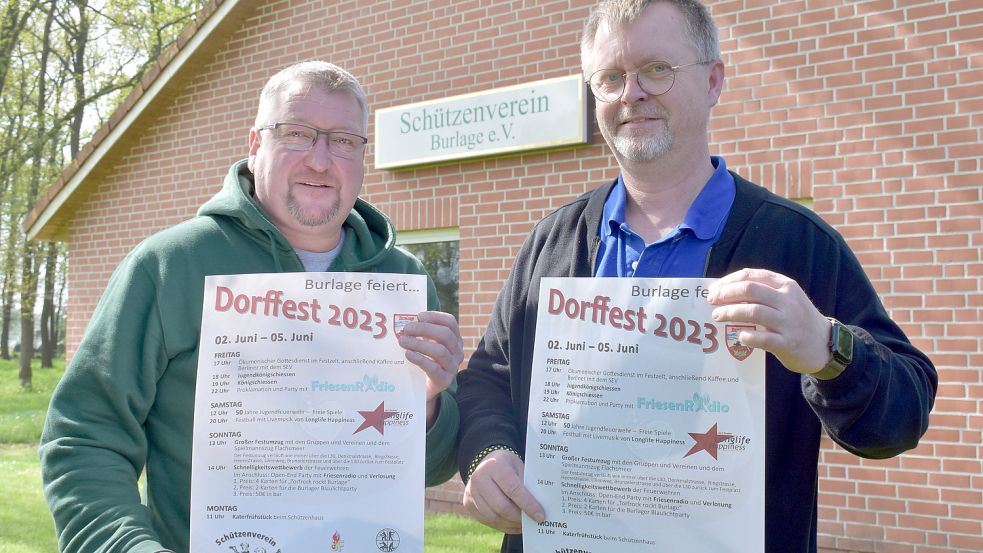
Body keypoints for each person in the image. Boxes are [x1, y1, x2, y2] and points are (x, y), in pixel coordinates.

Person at [456, 1, 937, 552]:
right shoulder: (551, 244)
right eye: (610, 77)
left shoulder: (796, 244)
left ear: (712, 81)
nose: (632, 93)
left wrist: (828, 347)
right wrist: (485, 454)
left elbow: (902, 416)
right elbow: (489, 379)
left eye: (657, 68)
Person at [39, 61, 463, 553]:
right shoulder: (172, 265)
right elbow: (85, 438)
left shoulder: (402, 279)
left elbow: (432, 469)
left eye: (344, 140)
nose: (321, 160)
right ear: (256, 144)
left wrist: (427, 402)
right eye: (298, 134)